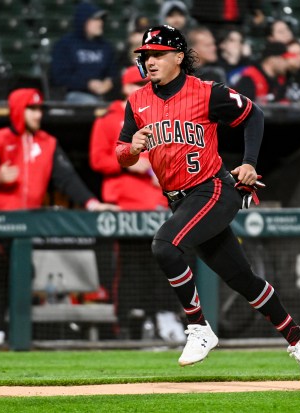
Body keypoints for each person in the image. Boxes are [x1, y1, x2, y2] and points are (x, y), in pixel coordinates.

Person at [116, 24, 300, 389]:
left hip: (212, 189)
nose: (150, 61)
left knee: (164, 245)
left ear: (179, 56)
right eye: (146, 55)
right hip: (180, 199)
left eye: (159, 54)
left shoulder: (205, 92)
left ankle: (198, 327)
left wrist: (250, 162)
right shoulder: (137, 101)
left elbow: (254, 115)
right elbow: (121, 156)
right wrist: (132, 148)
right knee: (242, 280)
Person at [0, 88, 119, 337]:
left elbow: (67, 179)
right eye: (31, 109)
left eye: (39, 109)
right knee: (13, 269)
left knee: (12, 272)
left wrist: (92, 204)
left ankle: (0, 332)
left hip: (25, 223)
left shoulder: (47, 143)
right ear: (19, 111)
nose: (37, 115)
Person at [90, 66, 184, 341]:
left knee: (163, 261)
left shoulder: (155, 115)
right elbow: (96, 159)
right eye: (135, 85)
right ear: (124, 88)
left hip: (155, 201)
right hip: (125, 203)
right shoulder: (107, 119)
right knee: (129, 267)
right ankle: (130, 324)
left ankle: (163, 317)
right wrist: (129, 162)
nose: (141, 90)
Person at [50, 2, 116, 104]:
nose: (100, 23)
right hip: (74, 94)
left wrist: (109, 82)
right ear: (83, 20)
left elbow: (113, 72)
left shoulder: (105, 46)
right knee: (92, 103)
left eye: (101, 19)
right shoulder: (66, 44)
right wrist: (87, 84)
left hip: (104, 95)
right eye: (95, 19)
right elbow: (59, 76)